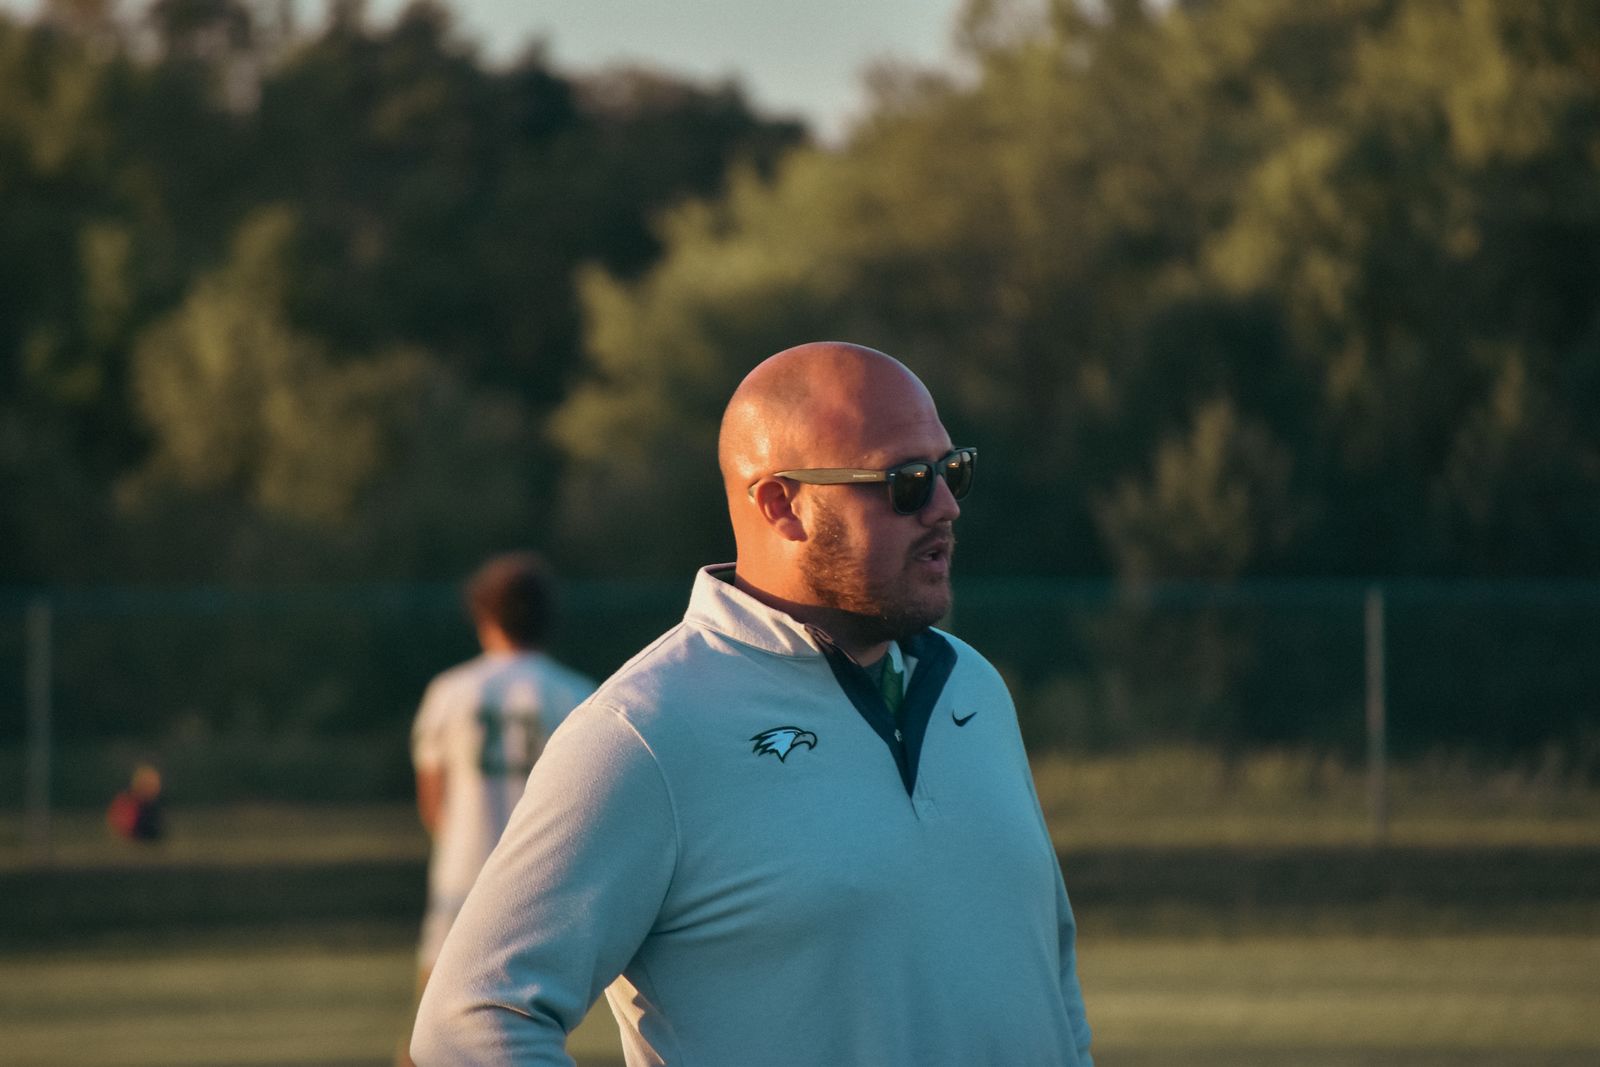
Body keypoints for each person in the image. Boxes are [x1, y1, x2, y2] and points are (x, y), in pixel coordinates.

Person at [412, 343, 1094, 1066]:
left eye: (952, 470)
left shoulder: (975, 688)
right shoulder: (644, 730)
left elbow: (1049, 982)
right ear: (781, 505)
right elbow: (473, 1019)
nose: (946, 506)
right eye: (907, 482)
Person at [409, 551, 596, 995]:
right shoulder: (578, 695)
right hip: (547, 877)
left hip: (464, 870)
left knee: (437, 1008)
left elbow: (433, 803)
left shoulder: (450, 691)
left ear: (484, 615)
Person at [106, 763, 165, 842]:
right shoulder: (127, 802)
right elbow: (121, 828)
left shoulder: (153, 807)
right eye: (147, 783)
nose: (153, 787)